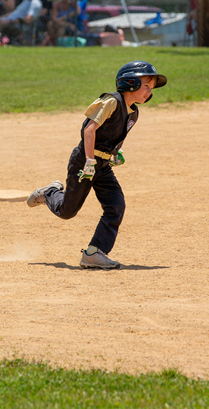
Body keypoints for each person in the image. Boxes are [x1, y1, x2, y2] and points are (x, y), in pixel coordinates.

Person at [26, 61, 168, 269]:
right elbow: (89, 130)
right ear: (131, 82)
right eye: (146, 85)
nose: (149, 92)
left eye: (151, 88)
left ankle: (94, 253)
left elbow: (110, 136)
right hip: (85, 162)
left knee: (116, 205)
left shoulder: (133, 113)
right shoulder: (110, 101)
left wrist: (114, 153)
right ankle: (49, 193)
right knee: (67, 211)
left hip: (102, 165)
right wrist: (90, 162)